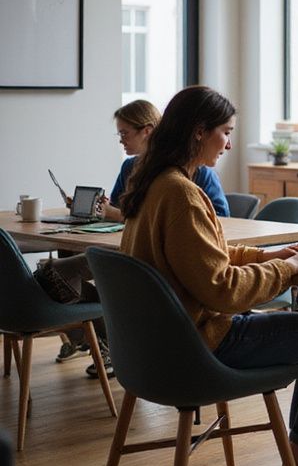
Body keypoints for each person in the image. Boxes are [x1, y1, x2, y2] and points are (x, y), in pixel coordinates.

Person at [119, 84, 298, 466]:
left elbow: (206, 253)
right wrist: (290, 268)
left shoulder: (153, 184)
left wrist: (269, 256)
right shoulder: (181, 193)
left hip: (153, 351)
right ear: (198, 131)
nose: (229, 144)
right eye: (225, 132)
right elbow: (222, 290)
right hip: (201, 346)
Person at [41, 99, 230, 372]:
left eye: (125, 134)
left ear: (148, 131)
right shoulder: (133, 168)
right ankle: (98, 340)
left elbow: (219, 221)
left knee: (57, 273)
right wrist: (105, 210)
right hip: (130, 250)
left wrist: (116, 214)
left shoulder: (195, 175)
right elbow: (127, 209)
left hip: (146, 257)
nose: (121, 140)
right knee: (57, 273)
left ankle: (103, 343)